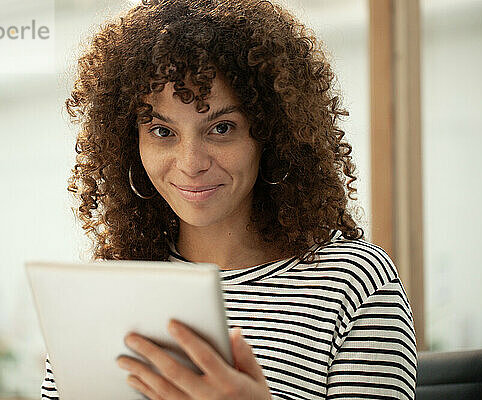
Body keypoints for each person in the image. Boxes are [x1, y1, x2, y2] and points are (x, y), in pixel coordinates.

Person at [41, 0, 417, 399]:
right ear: (129, 144)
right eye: (162, 132)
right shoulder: (99, 293)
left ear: (271, 133)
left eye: (221, 128)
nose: (191, 164)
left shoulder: (352, 284)